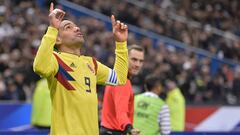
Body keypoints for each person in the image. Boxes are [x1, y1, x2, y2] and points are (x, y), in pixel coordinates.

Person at [33, 3, 129, 135]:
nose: (77, 28)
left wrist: (121, 44)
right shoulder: (56, 60)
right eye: (68, 27)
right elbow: (40, 67)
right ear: (58, 39)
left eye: (76, 26)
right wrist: (52, 29)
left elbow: (120, 78)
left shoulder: (91, 63)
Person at [100, 45, 144, 135]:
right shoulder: (122, 82)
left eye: (141, 61)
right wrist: (129, 128)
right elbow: (121, 112)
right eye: (134, 60)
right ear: (125, 59)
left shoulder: (116, 78)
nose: (137, 64)